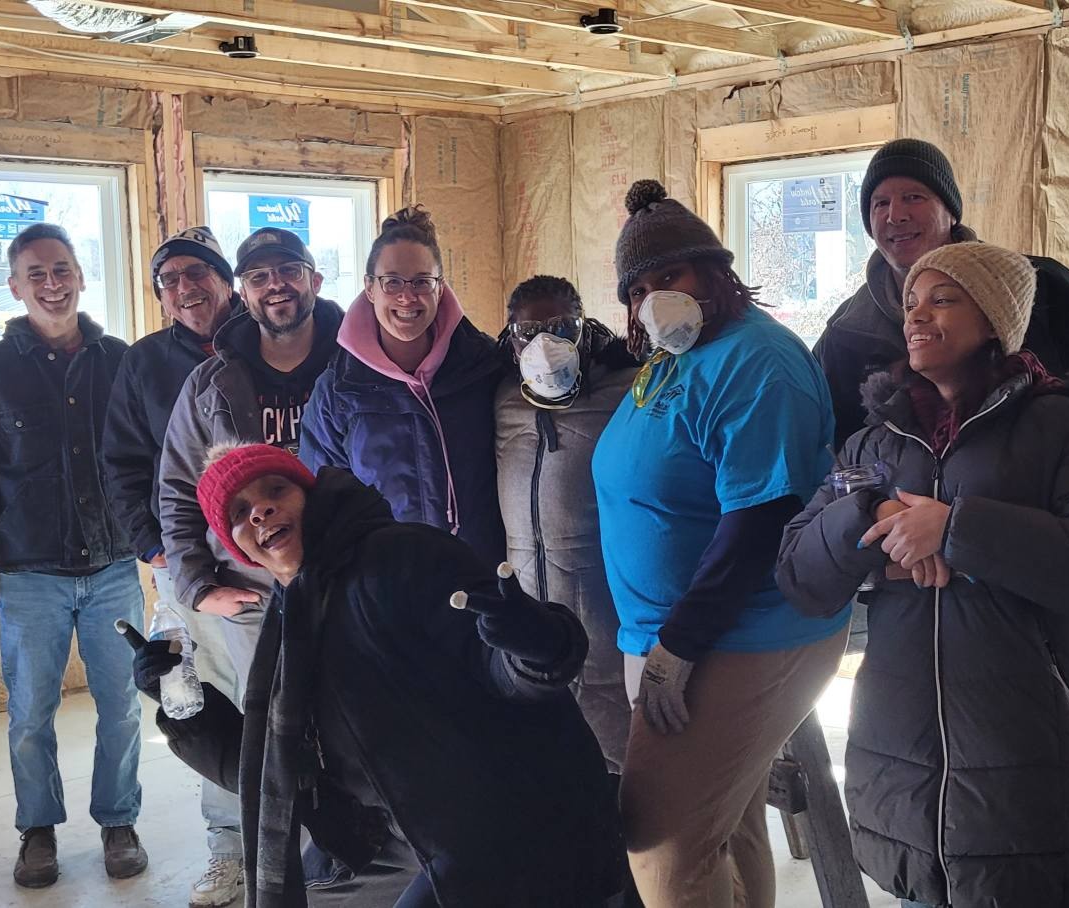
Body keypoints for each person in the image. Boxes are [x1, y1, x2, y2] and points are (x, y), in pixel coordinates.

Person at [776, 242, 1069, 908]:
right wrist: (871, 514)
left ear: (995, 320)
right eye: (911, 303)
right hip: (904, 776)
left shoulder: (1067, 427)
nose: (917, 316)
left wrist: (955, 530)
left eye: (943, 300)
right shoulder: (874, 444)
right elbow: (800, 575)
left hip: (1029, 774)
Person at [125, 444, 628, 907]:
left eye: (276, 489)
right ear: (238, 547)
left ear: (309, 497)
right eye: (240, 513)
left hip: (506, 820)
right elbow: (276, 774)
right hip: (394, 832)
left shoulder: (402, 556)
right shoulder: (290, 621)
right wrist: (183, 707)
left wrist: (533, 644)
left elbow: (510, 674)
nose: (261, 511)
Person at [591, 180, 849, 908]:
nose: (653, 301)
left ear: (714, 272)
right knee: (728, 826)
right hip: (678, 632)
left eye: (669, 276)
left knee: (662, 845)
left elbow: (761, 519)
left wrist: (680, 645)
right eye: (637, 290)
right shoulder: (676, 357)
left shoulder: (757, 359)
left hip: (739, 635)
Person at [0, 222, 147, 888]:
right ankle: (38, 830)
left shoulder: (120, 361)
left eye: (61, 271)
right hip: (29, 574)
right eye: (36, 274)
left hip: (114, 567)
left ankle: (118, 822)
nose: (51, 285)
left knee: (123, 706)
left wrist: (161, 541)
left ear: (80, 277)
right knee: (30, 713)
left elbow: (147, 459)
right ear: (15, 287)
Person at [156, 225, 347, 890]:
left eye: (288, 270)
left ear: (314, 279)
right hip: (251, 595)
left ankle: (354, 864)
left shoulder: (356, 362)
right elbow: (177, 487)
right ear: (243, 291)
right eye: (259, 276)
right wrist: (196, 583)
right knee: (271, 734)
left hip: (345, 578)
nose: (276, 286)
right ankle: (282, 870)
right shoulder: (211, 382)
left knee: (352, 720)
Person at [814, 138, 1069, 477]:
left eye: (913, 197)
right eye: (880, 203)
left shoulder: (1041, 289)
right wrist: (875, 505)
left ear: (951, 211)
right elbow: (828, 449)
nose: (896, 215)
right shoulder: (847, 332)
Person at [103, 226, 245, 907]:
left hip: (278, 559)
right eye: (169, 280)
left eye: (197, 273)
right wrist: (154, 546)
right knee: (209, 700)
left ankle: (314, 834)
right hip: (191, 565)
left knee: (294, 694)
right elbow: (123, 462)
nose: (185, 288)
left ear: (225, 280)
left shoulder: (268, 339)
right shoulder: (145, 363)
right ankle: (229, 848)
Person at [300, 206, 504, 563]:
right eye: (392, 282)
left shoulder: (484, 366)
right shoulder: (338, 391)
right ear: (370, 288)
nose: (407, 297)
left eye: (422, 282)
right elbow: (324, 506)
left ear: (440, 288)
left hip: (483, 571)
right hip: (390, 578)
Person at [494, 275, 637, 771]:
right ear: (510, 340)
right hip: (530, 634)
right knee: (549, 774)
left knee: (623, 772)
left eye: (560, 327)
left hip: (607, 629)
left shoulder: (626, 392)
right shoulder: (502, 399)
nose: (544, 344)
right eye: (528, 331)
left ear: (584, 327)